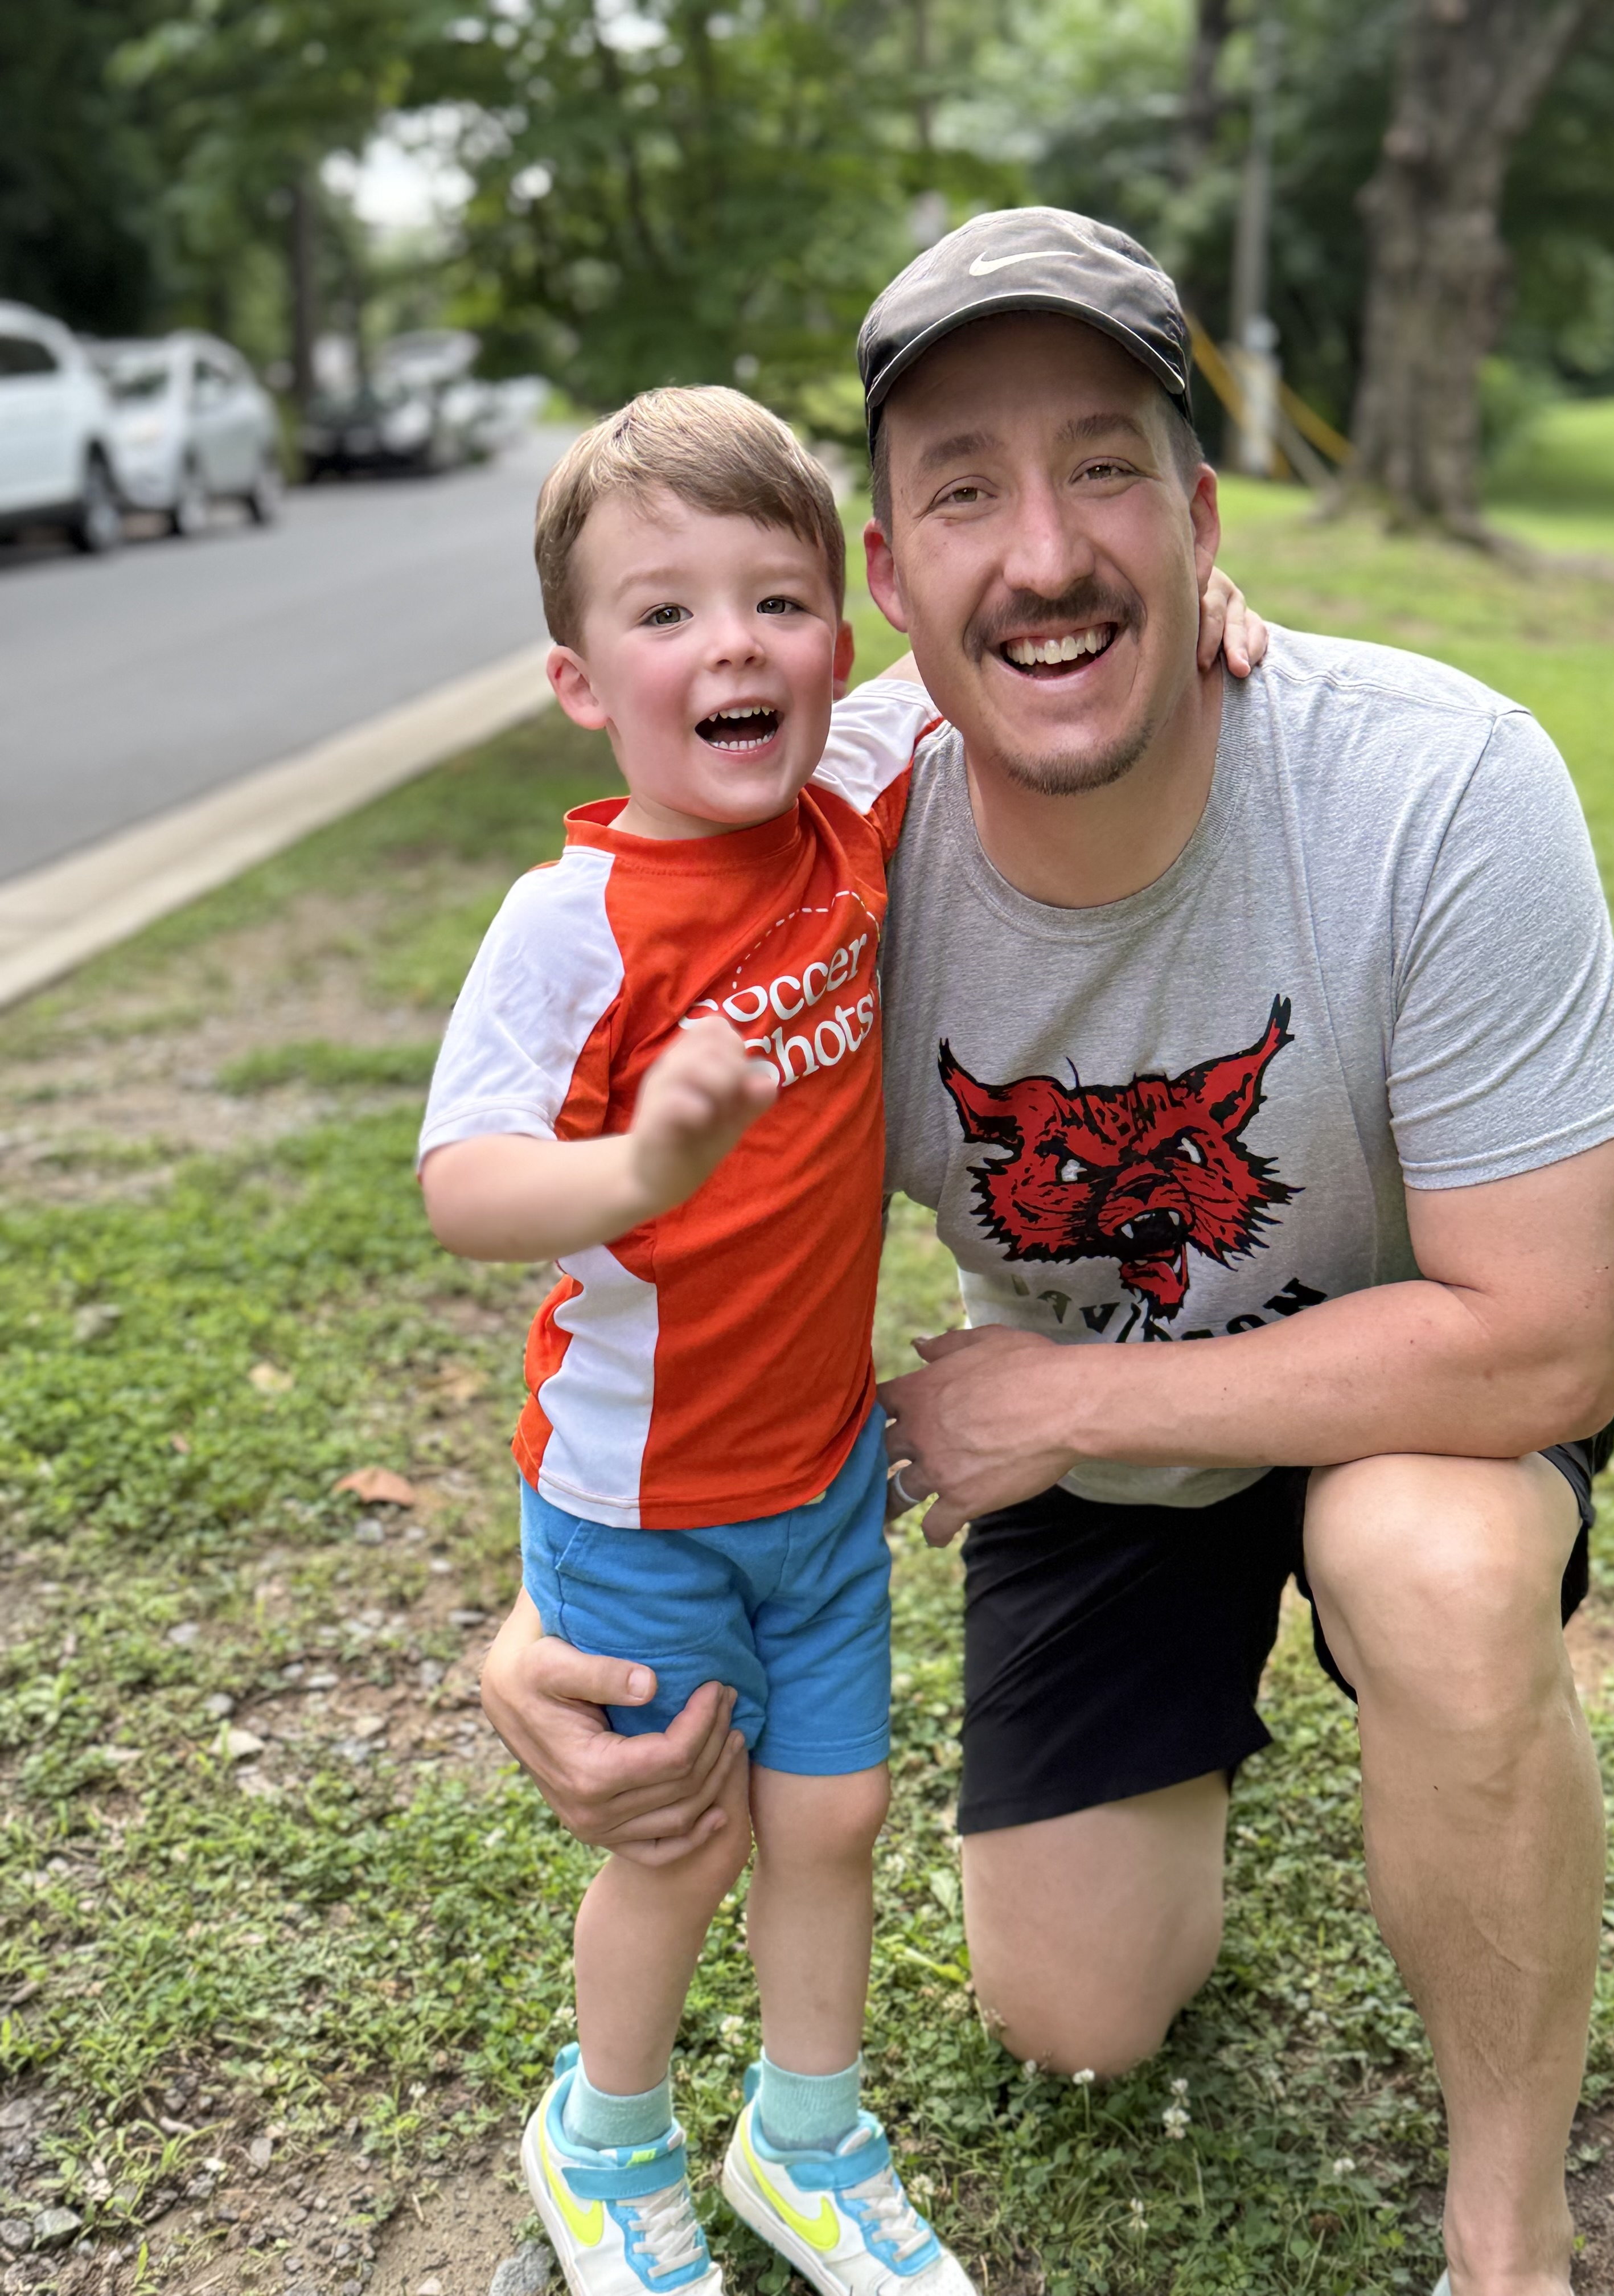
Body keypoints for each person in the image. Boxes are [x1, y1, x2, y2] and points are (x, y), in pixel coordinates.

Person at [478, 211, 1614, 2296]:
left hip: (1390, 1401)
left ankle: (1510, 2234)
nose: (1041, 555)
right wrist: (535, 1629)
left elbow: (1547, 1344)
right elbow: (646, 1250)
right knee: (1079, 2014)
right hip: (1102, 1486)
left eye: (1105, 467)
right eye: (964, 495)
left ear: (1206, 524)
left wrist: (1066, 1393)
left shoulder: (1444, 788)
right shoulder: (813, 845)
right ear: (885, 593)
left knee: (1443, 1583)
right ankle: (1237, 1732)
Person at [419, 378, 1265, 2296]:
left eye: (776, 601)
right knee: (679, 1837)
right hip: (641, 1502)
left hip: (816, 1478)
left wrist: (1211, 597)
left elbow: (1052, 647)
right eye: (665, 614)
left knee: (838, 1817)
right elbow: (464, 1188)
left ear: (844, 631)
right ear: (579, 683)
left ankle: (806, 2142)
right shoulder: (575, 923)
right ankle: (604, 2138)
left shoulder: (856, 800)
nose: (732, 645)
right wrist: (645, 1156)